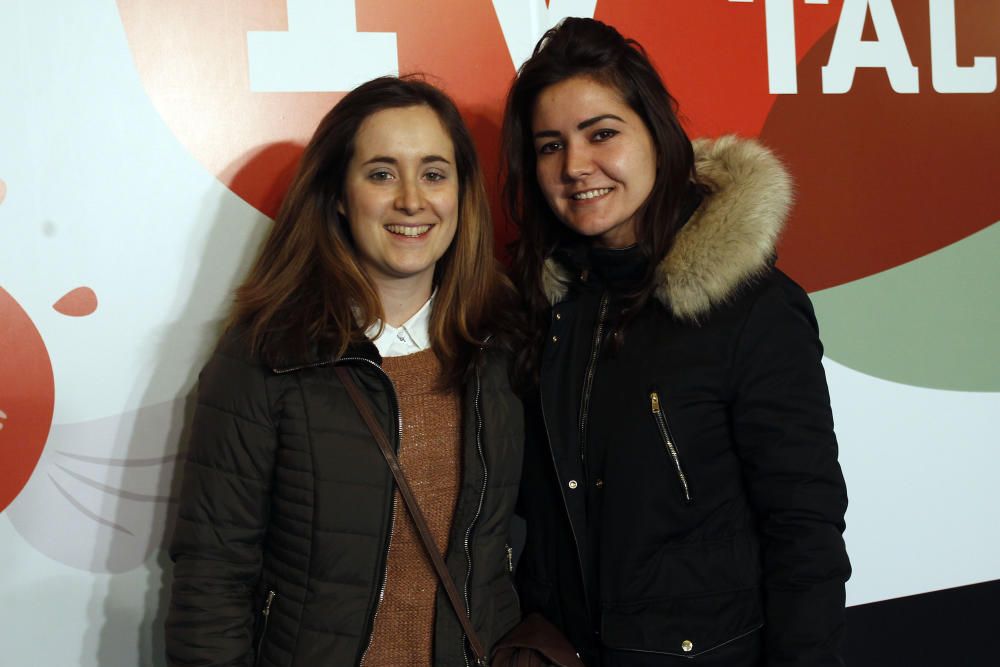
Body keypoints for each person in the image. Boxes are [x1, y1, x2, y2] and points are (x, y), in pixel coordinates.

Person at [502, 18, 851, 666]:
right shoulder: (544, 309)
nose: (576, 166)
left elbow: (805, 532)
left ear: (656, 134)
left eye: (601, 133)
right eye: (550, 146)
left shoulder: (755, 310)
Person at [165, 76, 524, 666]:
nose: (412, 199)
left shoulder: (502, 341)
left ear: (462, 193)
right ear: (337, 192)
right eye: (381, 173)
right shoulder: (266, 355)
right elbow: (212, 575)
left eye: (434, 173)